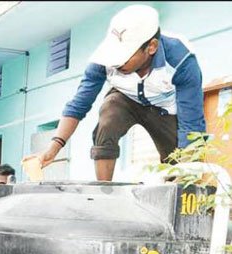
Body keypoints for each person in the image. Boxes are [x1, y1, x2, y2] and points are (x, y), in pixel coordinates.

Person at [28, 4, 205, 182]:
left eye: (123, 57)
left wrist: (186, 175)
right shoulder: (103, 60)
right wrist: (53, 148)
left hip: (165, 111)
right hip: (125, 100)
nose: (115, 64)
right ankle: (104, 191)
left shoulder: (182, 61)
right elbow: (78, 105)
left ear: (151, 47)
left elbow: (192, 124)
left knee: (180, 166)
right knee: (110, 112)